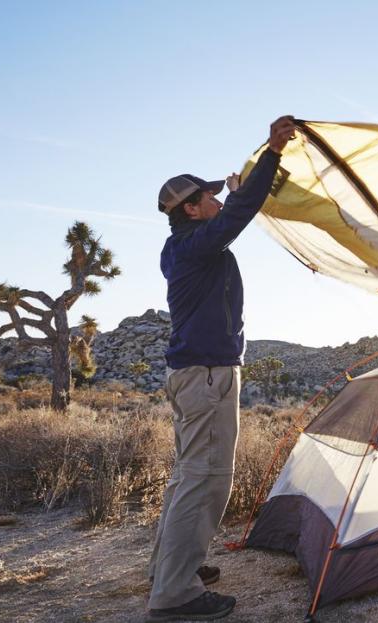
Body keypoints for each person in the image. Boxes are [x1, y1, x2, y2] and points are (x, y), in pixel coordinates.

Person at [146, 115, 296, 622]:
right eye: (207, 197)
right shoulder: (194, 246)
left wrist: (236, 190)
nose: (216, 199)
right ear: (190, 209)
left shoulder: (188, 248)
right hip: (207, 377)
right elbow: (237, 216)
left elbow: (230, 215)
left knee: (188, 476)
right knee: (207, 479)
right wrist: (271, 154)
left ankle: (170, 568)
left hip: (198, 375)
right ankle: (174, 595)